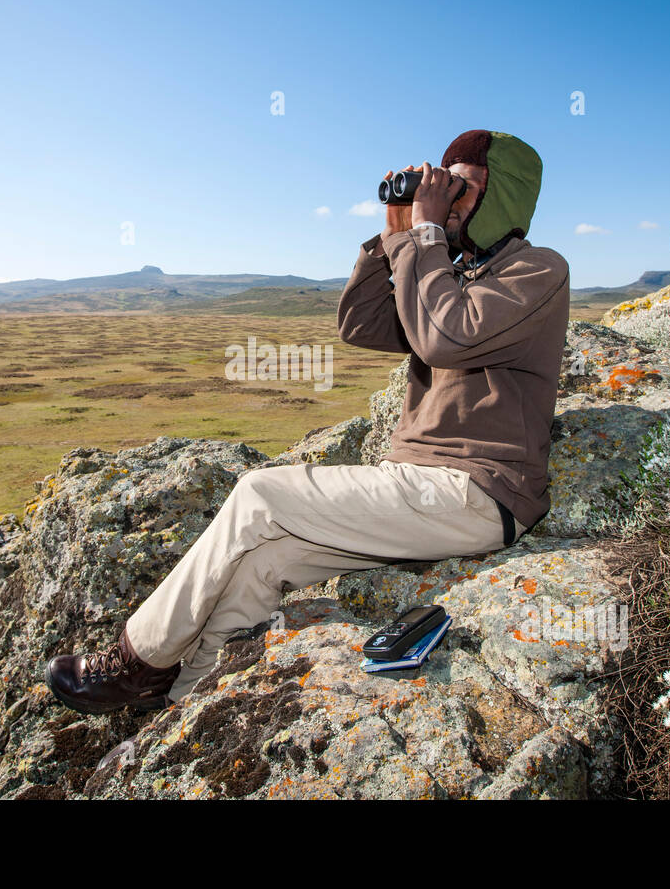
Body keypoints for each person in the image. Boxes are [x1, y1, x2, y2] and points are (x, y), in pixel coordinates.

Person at [46, 129, 570, 714]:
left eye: (462, 189)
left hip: (476, 491)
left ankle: (133, 662)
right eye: (442, 188)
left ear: (503, 200)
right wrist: (391, 235)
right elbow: (362, 325)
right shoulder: (450, 275)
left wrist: (423, 235)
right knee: (262, 563)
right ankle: (183, 697)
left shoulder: (536, 272)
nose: (445, 202)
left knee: (260, 494)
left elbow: (442, 336)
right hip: (419, 486)